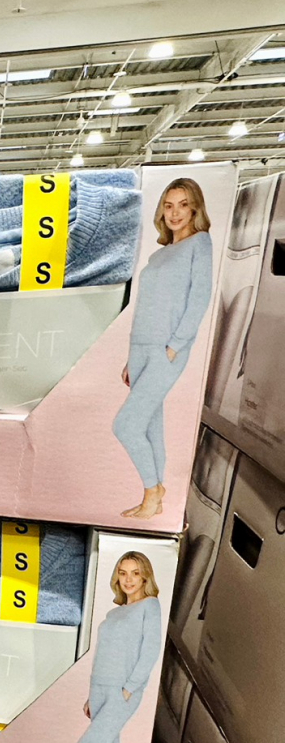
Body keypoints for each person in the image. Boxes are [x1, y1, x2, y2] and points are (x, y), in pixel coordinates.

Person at [113, 179, 213, 518]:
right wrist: (131, 357)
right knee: (150, 425)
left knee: (126, 425)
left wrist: (175, 346)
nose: (175, 212)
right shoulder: (159, 254)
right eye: (169, 205)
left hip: (166, 350)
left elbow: (199, 299)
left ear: (195, 208)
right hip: (141, 348)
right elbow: (146, 306)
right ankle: (155, 497)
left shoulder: (200, 243)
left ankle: (152, 491)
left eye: (183, 204)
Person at [76, 552, 161, 743]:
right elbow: (103, 653)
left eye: (135, 573)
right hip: (99, 688)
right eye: (123, 573)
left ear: (145, 576)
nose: (128, 579)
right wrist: (91, 695)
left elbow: (150, 651)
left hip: (122, 690)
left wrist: (130, 688)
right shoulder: (114, 612)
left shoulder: (150, 606)